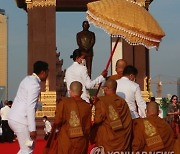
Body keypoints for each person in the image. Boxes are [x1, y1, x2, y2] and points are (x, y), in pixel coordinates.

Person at [8, 61, 49, 154]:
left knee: (26, 149)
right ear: (43, 72)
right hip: (21, 120)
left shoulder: (27, 79)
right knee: (28, 149)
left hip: (14, 118)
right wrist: (32, 129)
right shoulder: (34, 85)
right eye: (47, 72)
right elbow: (30, 107)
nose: (47, 75)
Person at [45, 81, 92, 154]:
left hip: (66, 139)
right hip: (81, 141)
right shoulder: (87, 106)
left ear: (70, 91)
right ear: (82, 92)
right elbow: (88, 127)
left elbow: (57, 121)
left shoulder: (64, 103)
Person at [91, 79, 132, 153]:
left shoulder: (102, 101)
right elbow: (128, 121)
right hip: (122, 140)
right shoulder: (123, 102)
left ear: (106, 89)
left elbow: (97, 119)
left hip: (106, 140)